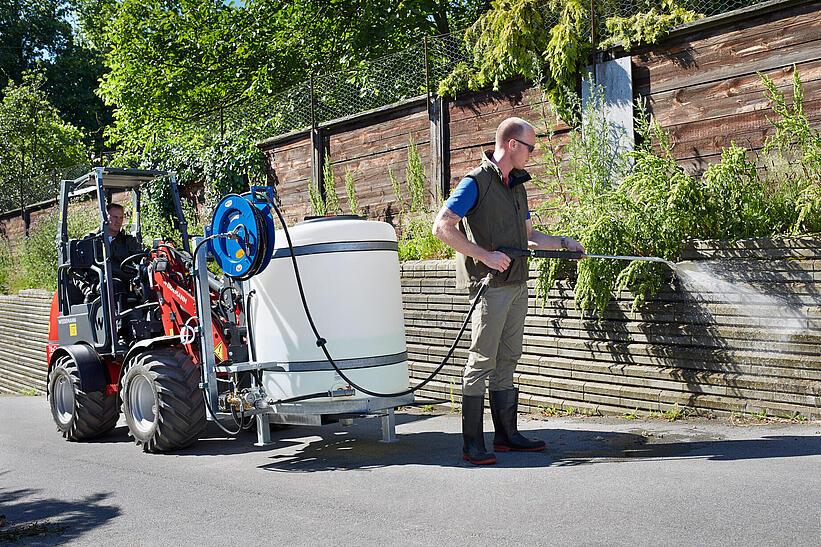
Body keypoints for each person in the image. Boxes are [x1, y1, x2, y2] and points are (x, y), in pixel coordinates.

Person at [432, 117, 585, 465]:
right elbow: (441, 226)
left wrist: (562, 242)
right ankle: (472, 443)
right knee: (481, 361)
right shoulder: (476, 182)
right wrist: (484, 255)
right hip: (490, 287)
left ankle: (506, 436)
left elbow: (531, 236)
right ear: (513, 144)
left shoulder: (517, 185)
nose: (533, 153)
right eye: (530, 147)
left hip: (517, 284)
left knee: (508, 359)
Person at [104, 203, 143, 286]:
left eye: (121, 217)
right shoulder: (93, 241)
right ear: (105, 218)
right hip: (104, 284)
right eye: (115, 217)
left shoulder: (127, 240)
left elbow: (139, 256)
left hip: (126, 281)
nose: (118, 221)